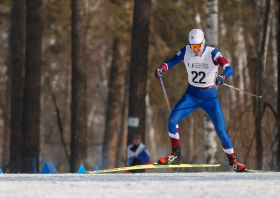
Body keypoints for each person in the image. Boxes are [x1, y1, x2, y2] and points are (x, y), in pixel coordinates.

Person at [154, 29, 246, 172]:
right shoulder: (186, 51)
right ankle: (175, 155)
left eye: (198, 46)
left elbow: (229, 68)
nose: (195, 49)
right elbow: (172, 62)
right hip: (191, 95)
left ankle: (234, 162)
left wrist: (222, 77)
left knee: (221, 131)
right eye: (193, 46)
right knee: (172, 120)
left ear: (204, 43)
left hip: (209, 97)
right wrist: (162, 68)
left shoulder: (212, 53)